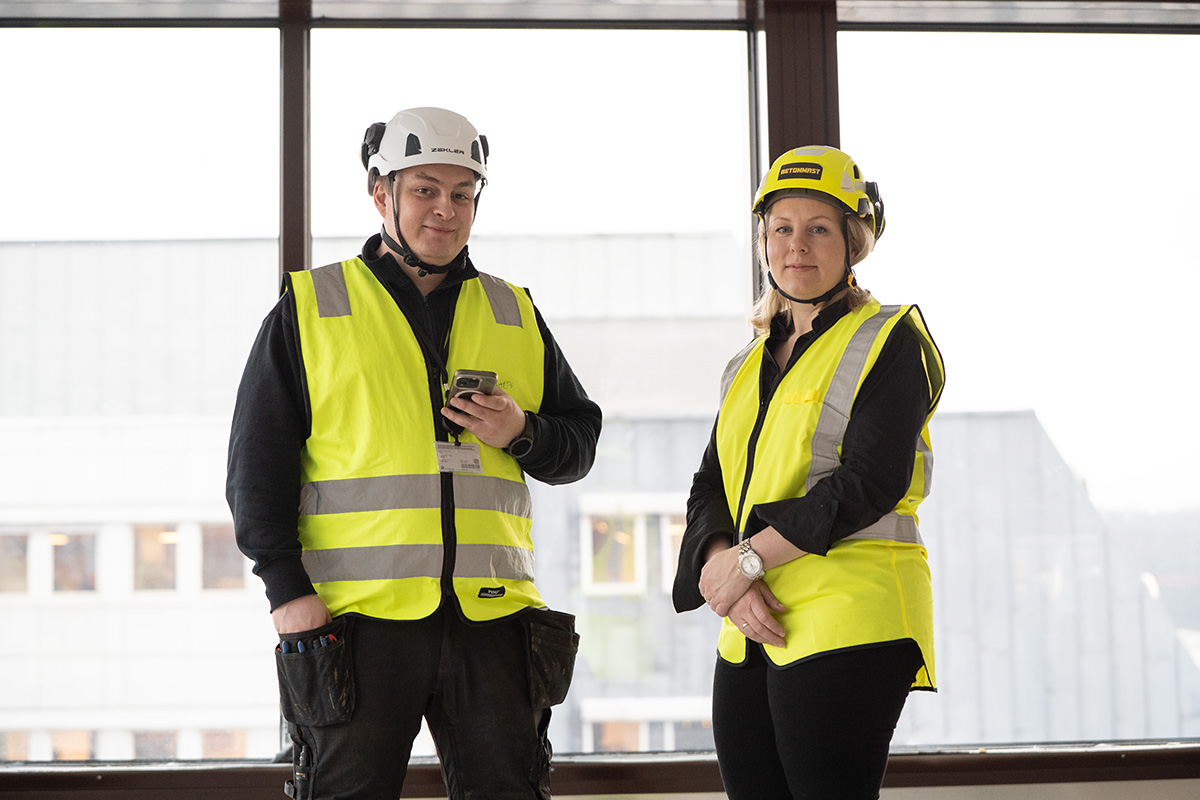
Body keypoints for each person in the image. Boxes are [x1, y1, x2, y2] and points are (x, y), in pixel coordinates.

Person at [226, 106, 602, 800]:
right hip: (355, 619)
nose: (444, 210)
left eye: (462, 194)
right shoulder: (312, 309)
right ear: (382, 195)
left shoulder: (512, 310)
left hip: (493, 617)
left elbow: (577, 446)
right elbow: (257, 466)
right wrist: (286, 591)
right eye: (425, 189)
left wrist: (521, 430)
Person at [672, 145, 945, 800]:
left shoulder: (889, 338)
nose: (797, 246)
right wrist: (727, 574)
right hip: (750, 623)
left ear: (853, 243)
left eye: (819, 228)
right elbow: (712, 484)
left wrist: (743, 564)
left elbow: (870, 481)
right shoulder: (746, 363)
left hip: (849, 615)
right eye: (782, 229)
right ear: (764, 241)